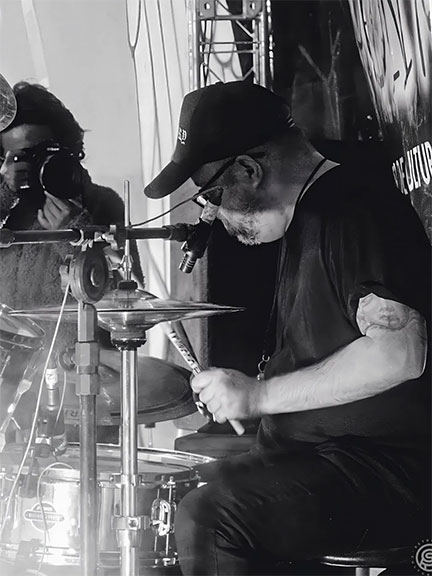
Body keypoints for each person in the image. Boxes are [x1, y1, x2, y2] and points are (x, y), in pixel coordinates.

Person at [144, 81, 431, 575]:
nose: (213, 214)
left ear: (249, 169)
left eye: (213, 195)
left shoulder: (353, 210)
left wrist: (259, 397)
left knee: (210, 519)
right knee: (168, 517)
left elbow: (401, 353)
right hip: (327, 461)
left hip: (384, 471)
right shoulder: (310, 216)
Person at [0, 82, 143, 437]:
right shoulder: (6, 215)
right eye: (18, 158)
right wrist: (3, 194)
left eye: (40, 154)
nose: (32, 167)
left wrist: (76, 230)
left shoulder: (102, 204)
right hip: (9, 392)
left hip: (82, 392)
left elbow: (127, 300)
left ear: (67, 149)